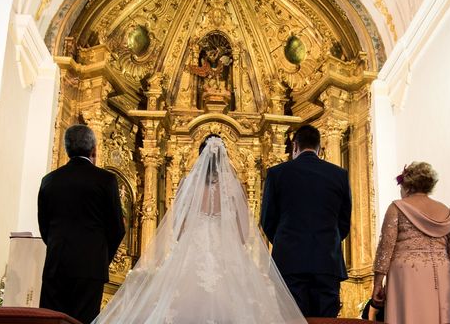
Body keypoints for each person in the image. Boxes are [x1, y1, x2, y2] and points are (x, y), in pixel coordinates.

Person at [93, 135, 305, 323]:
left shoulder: (189, 183)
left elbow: (177, 229)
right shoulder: (233, 186)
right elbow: (243, 234)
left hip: (193, 252)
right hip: (226, 253)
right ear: (224, 158)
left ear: (200, 157)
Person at [260, 124, 352, 318]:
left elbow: (267, 219)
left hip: (289, 261)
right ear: (319, 148)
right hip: (327, 261)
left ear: (295, 147)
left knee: (292, 318)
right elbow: (344, 222)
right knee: (326, 320)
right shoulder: (339, 175)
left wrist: (285, 240)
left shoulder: (277, 174)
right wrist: (329, 240)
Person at [38, 124, 125, 324]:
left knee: (53, 320)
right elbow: (117, 228)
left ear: (66, 149)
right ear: (93, 148)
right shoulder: (106, 180)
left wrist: (57, 247)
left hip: (56, 265)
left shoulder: (49, 180)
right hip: (90, 267)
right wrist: (101, 256)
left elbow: (45, 227)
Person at [371, 161, 450, 324]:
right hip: (443, 275)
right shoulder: (448, 213)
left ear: (407, 186)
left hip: (407, 276)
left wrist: (378, 282)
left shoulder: (397, 208)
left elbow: (385, 248)